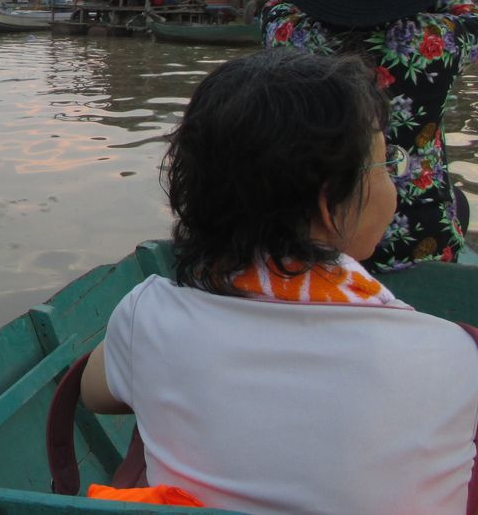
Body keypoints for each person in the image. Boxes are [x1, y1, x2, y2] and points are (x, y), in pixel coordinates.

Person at [80, 48, 478, 514]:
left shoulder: (147, 316)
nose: (395, 180)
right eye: (386, 163)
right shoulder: (451, 353)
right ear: (329, 205)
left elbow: (94, 394)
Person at [265, 0, 478, 271]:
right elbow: (466, 12)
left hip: (310, 237)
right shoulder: (440, 40)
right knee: (458, 202)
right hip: (418, 243)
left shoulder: (287, 33)